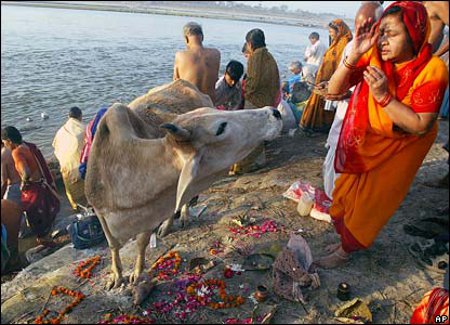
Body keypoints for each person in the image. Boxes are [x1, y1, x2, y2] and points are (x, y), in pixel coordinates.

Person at [314, 1, 449, 269]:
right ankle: (344, 238)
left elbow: (420, 124)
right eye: (381, 33)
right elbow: (333, 90)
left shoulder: (433, 69)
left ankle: (345, 250)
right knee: (346, 190)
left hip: (406, 144)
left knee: (373, 198)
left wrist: (384, 97)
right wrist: (354, 55)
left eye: (393, 34)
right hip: (368, 138)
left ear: (413, 33)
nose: (383, 41)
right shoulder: (375, 55)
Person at [322, 2, 384, 199]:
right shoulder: (352, 45)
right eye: (358, 25)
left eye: (368, 25)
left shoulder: (388, 48)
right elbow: (337, 84)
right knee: (336, 152)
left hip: (370, 118)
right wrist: (338, 91)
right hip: (345, 111)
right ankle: (335, 198)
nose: (361, 30)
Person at [229, 28, 280, 175]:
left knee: (250, 133)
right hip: (267, 99)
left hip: (256, 100)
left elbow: (253, 82)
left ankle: (245, 165)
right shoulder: (268, 56)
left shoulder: (256, 57)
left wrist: (245, 93)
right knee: (259, 132)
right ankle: (259, 161)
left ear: (250, 44)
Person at [1, 126, 60, 248]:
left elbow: (26, 172)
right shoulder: (28, 146)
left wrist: (23, 183)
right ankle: (47, 238)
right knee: (44, 214)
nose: (5, 145)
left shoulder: (17, 152)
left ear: (10, 141)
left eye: (4, 142)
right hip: (42, 184)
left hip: (34, 188)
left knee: (35, 216)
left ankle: (44, 241)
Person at [299, 19, 353, 133]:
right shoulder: (337, 42)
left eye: (331, 31)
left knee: (324, 104)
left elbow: (339, 64)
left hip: (329, 80)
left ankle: (319, 127)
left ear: (339, 31)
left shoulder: (343, 44)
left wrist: (330, 81)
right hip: (324, 79)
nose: (330, 34)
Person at [173, 22, 221, 103]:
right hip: (209, 103)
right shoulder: (216, 54)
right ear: (202, 37)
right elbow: (216, 78)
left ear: (186, 39)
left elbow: (176, 82)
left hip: (190, 103)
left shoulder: (180, 56)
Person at [52, 106, 87, 211]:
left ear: (68, 116)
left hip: (66, 169)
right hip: (80, 170)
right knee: (86, 195)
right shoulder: (83, 129)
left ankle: (76, 209)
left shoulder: (60, 131)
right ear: (80, 116)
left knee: (72, 194)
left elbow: (56, 148)